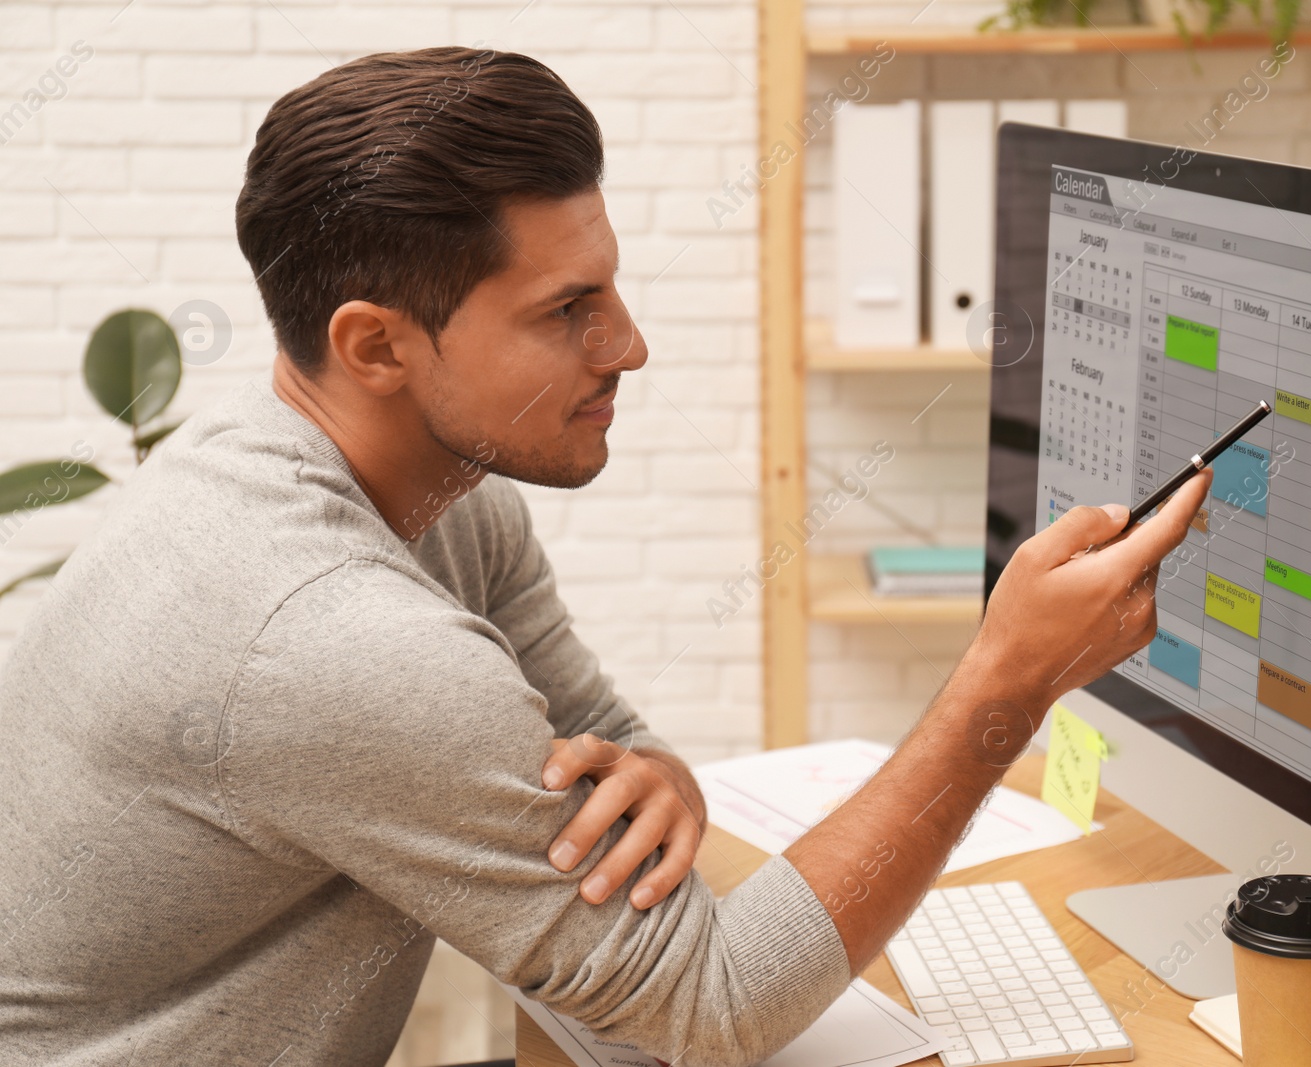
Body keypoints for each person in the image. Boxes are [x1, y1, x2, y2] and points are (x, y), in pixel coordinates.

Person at [0, 46, 1210, 1067]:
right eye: (564, 310)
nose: (627, 344)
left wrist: (664, 775)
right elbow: (713, 1005)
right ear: (374, 345)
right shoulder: (328, 631)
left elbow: (614, 750)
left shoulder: (423, 497)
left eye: (610, 288)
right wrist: (1001, 687)